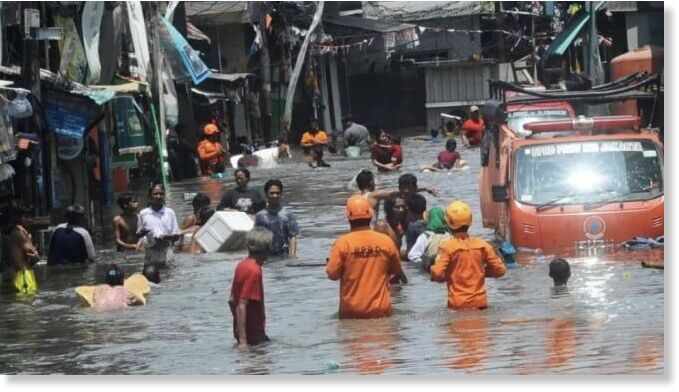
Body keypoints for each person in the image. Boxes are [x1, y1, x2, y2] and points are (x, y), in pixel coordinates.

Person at [326, 195, 408, 319]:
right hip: (382, 312)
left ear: (347, 216)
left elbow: (332, 274)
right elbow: (395, 270)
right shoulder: (386, 241)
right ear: (370, 214)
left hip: (352, 314)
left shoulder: (342, 244)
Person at [430, 201, 506, 310]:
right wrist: (481, 272)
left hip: (457, 306)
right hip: (481, 304)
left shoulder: (447, 248)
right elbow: (500, 270)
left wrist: (446, 275)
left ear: (448, 223)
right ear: (470, 221)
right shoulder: (483, 245)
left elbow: (437, 273)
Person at [229, 227, 274, 348]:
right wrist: (243, 342)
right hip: (254, 337)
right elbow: (241, 305)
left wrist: (239, 330)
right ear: (267, 249)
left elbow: (232, 300)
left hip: (246, 334)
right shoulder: (254, 271)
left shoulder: (242, 265)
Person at [137, 183, 181, 266]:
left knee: (171, 276)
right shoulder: (143, 213)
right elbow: (139, 234)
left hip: (167, 251)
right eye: (155, 194)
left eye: (161, 194)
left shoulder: (170, 212)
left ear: (164, 195)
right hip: (151, 251)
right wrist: (148, 235)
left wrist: (166, 237)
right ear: (150, 196)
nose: (158, 196)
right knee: (150, 274)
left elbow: (176, 235)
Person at [254, 179, 299, 257]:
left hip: (284, 254)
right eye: (272, 193)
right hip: (266, 256)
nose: (275, 195)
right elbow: (256, 239)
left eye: (277, 193)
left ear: (281, 194)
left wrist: (292, 257)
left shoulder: (288, 214)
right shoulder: (260, 216)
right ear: (266, 194)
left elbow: (292, 237)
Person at [1, 204, 40, 291]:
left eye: (31, 217)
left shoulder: (19, 232)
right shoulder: (20, 233)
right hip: (23, 275)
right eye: (26, 217)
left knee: (28, 301)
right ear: (18, 218)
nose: (29, 220)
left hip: (23, 274)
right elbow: (33, 255)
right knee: (27, 301)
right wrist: (34, 249)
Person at [407, 206, 451, 272]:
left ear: (429, 219)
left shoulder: (425, 236)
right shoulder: (450, 236)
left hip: (429, 272)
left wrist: (424, 264)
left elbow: (412, 255)